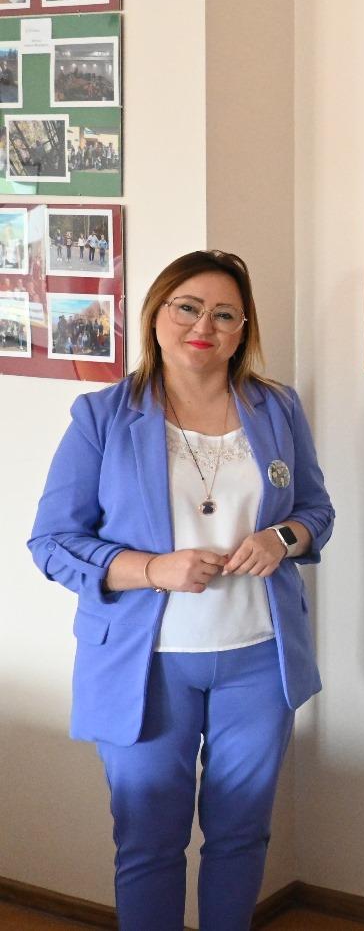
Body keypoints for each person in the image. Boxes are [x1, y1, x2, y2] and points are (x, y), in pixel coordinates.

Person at [28, 250, 334, 930]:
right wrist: (151, 568)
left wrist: (281, 539)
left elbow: (316, 511)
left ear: (243, 328)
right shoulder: (103, 416)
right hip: (144, 665)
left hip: (259, 659)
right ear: (156, 315)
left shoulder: (277, 407)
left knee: (242, 834)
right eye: (187, 308)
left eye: (225, 314)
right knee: (148, 841)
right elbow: (52, 543)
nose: (205, 326)